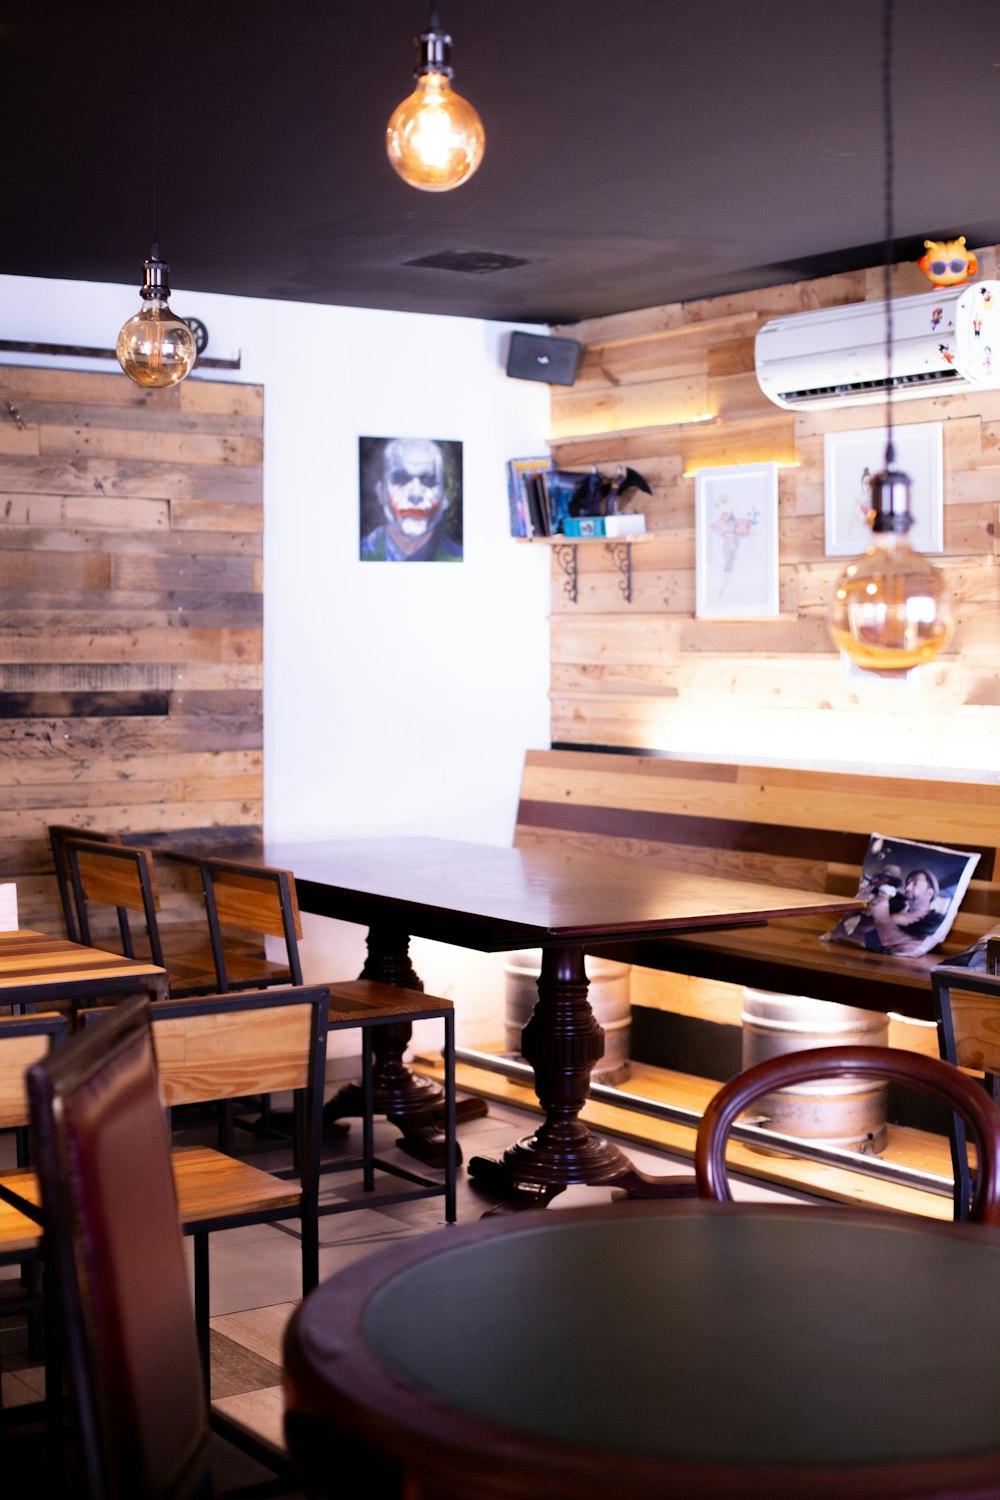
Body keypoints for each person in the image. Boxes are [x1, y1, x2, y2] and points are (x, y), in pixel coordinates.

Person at [360, 437, 462, 562]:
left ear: (445, 496)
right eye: (401, 479)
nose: (416, 494)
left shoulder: (460, 557)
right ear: (381, 492)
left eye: (428, 481)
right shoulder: (361, 553)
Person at [865, 868, 942, 956]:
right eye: (908, 884)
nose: (907, 887)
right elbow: (862, 928)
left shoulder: (936, 920)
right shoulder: (896, 905)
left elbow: (906, 949)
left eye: (915, 884)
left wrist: (883, 916)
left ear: (930, 893)